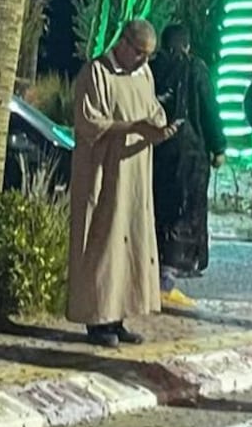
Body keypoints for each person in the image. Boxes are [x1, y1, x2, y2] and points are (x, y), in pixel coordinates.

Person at [68, 20, 178, 347]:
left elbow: (152, 109)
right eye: (140, 52)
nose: (144, 60)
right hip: (104, 173)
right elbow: (90, 123)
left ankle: (118, 316)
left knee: (128, 244)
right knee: (102, 244)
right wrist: (132, 127)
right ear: (124, 43)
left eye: (149, 55)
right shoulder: (96, 73)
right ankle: (97, 319)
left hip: (135, 174)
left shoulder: (144, 74)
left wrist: (160, 127)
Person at [150, 24, 226, 308]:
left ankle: (153, 276)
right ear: (187, 45)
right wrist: (219, 146)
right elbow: (209, 108)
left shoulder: (150, 69)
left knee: (158, 212)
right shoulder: (195, 69)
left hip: (156, 151)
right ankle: (166, 282)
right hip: (189, 153)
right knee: (183, 215)